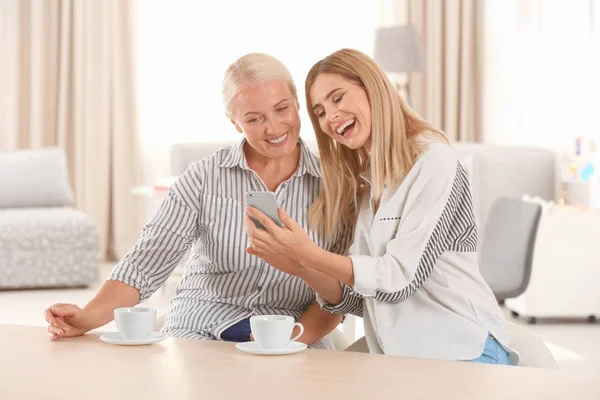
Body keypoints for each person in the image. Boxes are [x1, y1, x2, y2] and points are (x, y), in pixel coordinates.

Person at [44, 53, 350, 349]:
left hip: (295, 329)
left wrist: (292, 340)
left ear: (298, 103)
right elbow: (145, 264)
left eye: (282, 109)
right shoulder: (203, 177)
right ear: (234, 122)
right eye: (254, 118)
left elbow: (342, 290)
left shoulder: (337, 184)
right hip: (201, 323)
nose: (273, 127)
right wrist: (86, 317)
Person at [245, 48, 517, 364]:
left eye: (338, 98)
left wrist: (308, 252)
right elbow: (360, 299)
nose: (330, 116)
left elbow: (397, 281)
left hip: (462, 352)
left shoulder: (434, 161)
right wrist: (300, 266)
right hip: (401, 358)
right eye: (319, 111)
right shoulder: (366, 184)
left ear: (371, 86)